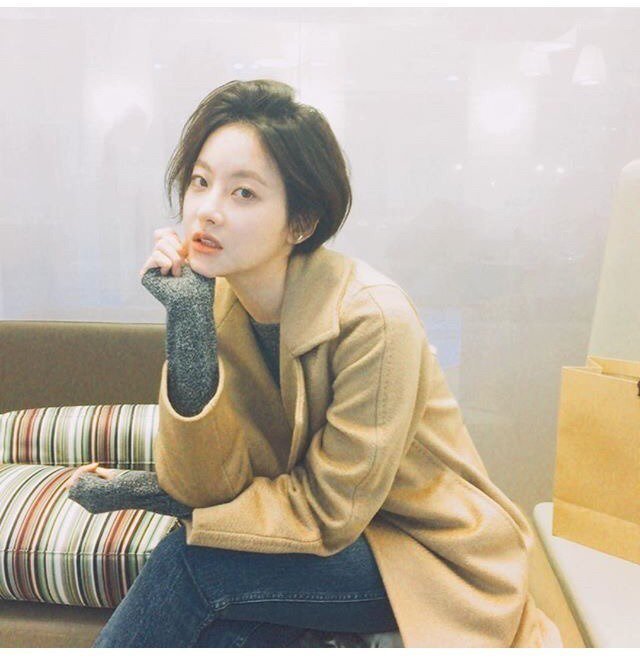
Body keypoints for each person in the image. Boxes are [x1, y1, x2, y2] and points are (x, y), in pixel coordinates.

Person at [64, 79, 562, 648]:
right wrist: (188, 322)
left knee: (193, 563)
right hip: (331, 539)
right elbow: (208, 483)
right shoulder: (218, 302)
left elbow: (329, 513)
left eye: (243, 193)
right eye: (200, 181)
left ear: (300, 223)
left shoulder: (373, 319)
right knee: (225, 627)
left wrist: (162, 498)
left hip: (423, 552)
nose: (207, 210)